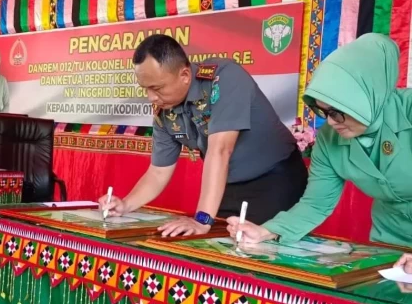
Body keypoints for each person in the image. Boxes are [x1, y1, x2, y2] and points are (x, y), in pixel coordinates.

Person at [98, 34, 308, 236]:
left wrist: (202, 219)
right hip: (228, 185)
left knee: (261, 255)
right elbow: (158, 172)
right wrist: (126, 204)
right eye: (145, 89)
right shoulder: (164, 110)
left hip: (275, 180)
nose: (151, 97)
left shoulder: (224, 79)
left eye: (157, 88)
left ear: (185, 75)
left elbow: (220, 150)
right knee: (216, 251)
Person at [226, 34, 412, 251]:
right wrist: (267, 231)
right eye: (324, 112)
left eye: (338, 111)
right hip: (391, 238)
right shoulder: (329, 139)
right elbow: (316, 203)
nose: (331, 122)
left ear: (366, 97)